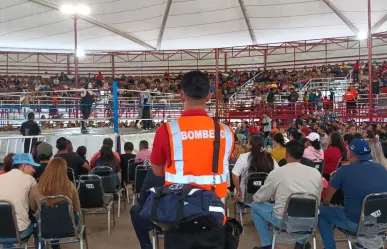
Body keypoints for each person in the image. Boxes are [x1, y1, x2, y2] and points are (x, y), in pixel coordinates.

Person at [150, 71, 234, 249]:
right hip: (214, 216)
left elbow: (157, 170)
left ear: (181, 95)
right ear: (209, 96)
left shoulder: (166, 131)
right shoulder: (226, 132)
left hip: (178, 215)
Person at [251, 140, 322, 249]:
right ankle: (301, 244)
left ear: (286, 154)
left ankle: (267, 245)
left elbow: (261, 197)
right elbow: (317, 197)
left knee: (255, 206)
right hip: (310, 222)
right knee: (306, 208)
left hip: (284, 221)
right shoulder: (316, 173)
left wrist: (255, 197)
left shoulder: (278, 172)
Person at [318, 139, 387, 249]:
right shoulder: (381, 168)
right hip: (381, 222)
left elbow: (327, 199)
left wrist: (327, 204)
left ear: (351, 153)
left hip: (355, 223)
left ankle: (329, 247)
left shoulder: (344, 170)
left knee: (321, 212)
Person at [29, 158, 80, 249]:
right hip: (68, 226)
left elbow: (32, 208)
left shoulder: (36, 187)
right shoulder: (70, 186)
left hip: (44, 227)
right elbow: (76, 208)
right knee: (69, 214)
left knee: (43, 218)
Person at [0, 153, 40, 248]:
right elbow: (34, 205)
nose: (34, 170)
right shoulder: (30, 179)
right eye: (32, 166)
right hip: (19, 232)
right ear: (23, 166)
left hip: (1, 230)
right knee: (38, 223)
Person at [232, 135, 278, 203]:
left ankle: (241, 211)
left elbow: (235, 174)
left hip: (246, 197)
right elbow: (277, 173)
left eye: (248, 143)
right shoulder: (269, 157)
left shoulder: (243, 157)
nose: (246, 144)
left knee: (237, 190)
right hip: (266, 196)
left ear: (250, 146)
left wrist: (239, 190)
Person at [130, 168, 165, 249]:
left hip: (160, 220)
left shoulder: (155, 170)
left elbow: (142, 199)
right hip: (191, 219)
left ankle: (146, 246)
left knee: (135, 210)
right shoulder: (195, 169)